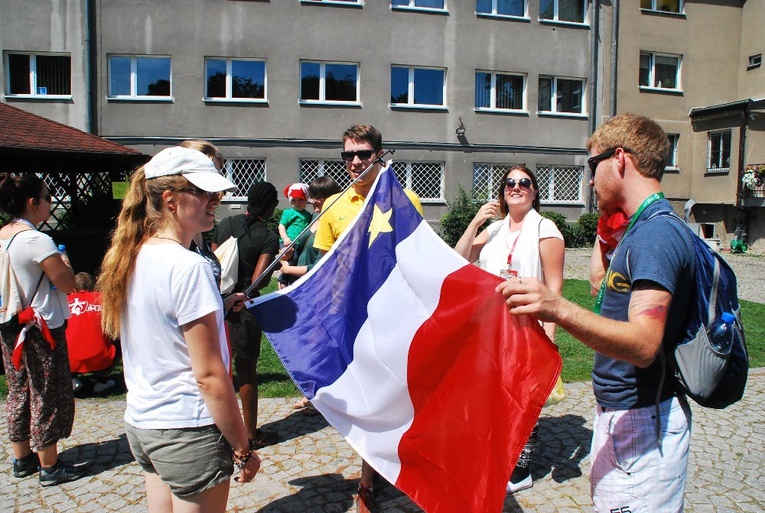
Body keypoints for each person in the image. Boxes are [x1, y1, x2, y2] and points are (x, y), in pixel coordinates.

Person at [496, 113, 695, 512]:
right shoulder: (638, 230)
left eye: (592, 166)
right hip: (625, 413)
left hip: (643, 420)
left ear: (619, 159)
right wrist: (608, 233)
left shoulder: (656, 234)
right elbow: (602, 291)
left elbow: (643, 344)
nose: (588, 180)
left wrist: (557, 308)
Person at [96, 146, 261, 512]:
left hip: (143, 423)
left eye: (216, 192)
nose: (215, 200)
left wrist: (219, 305)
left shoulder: (131, 255)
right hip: (188, 427)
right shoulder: (189, 266)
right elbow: (209, 376)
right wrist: (242, 445)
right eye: (202, 192)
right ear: (170, 199)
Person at [314, 124, 423, 513]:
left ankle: (388, 468)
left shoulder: (404, 197)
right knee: (361, 399)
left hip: (392, 316)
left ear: (379, 154)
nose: (356, 161)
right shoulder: (332, 207)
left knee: (393, 395)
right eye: (349, 155)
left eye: (363, 154)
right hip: (350, 321)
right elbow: (323, 267)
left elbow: (415, 257)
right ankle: (367, 478)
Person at [454, 164, 564, 494]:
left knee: (521, 400)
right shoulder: (496, 229)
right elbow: (457, 261)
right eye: (510, 183)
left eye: (524, 183)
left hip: (525, 328)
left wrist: (549, 339)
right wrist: (476, 222)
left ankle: (520, 470)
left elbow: (555, 292)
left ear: (534, 191)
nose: (516, 187)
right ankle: (494, 458)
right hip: (487, 329)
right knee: (490, 399)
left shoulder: (546, 230)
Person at [0, 173, 86, 486]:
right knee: (46, 390)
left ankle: (22, 458)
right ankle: (50, 465)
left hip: (10, 323)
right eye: (48, 198)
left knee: (19, 388)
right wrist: (63, 260)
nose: (50, 203)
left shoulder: (2, 235)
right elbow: (67, 283)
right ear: (33, 203)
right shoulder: (36, 239)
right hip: (40, 326)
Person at [211, 181, 281, 450]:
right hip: (244, 309)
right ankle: (250, 433)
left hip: (215, 305)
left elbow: (214, 261)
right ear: (271, 205)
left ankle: (219, 427)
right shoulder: (268, 236)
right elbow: (258, 281)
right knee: (247, 373)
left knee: (217, 370)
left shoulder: (226, 223)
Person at [279, 176, 342, 410]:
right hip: (304, 288)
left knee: (320, 343)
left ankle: (319, 395)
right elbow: (299, 248)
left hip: (323, 289)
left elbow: (324, 264)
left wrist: (289, 270)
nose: (313, 200)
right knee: (308, 342)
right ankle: (315, 393)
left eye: (319, 196)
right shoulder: (314, 217)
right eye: (312, 195)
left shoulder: (335, 220)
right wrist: (286, 265)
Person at [179, 140, 247, 316]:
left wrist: (223, 304)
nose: (218, 199)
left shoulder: (196, 235)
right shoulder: (172, 252)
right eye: (205, 188)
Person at [67, 271, 118, 395]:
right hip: (102, 358)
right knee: (119, 340)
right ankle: (102, 380)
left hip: (70, 360)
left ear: (73, 289)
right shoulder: (103, 298)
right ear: (93, 287)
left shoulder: (65, 300)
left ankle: (72, 379)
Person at [277, 183, 312, 288]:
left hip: (299, 244)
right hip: (288, 242)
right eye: (294, 200)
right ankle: (283, 280)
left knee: (297, 261)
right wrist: (285, 238)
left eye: (301, 200)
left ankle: (292, 282)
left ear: (306, 200)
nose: (297, 203)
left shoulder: (308, 215)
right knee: (291, 259)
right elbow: (281, 226)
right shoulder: (289, 212)